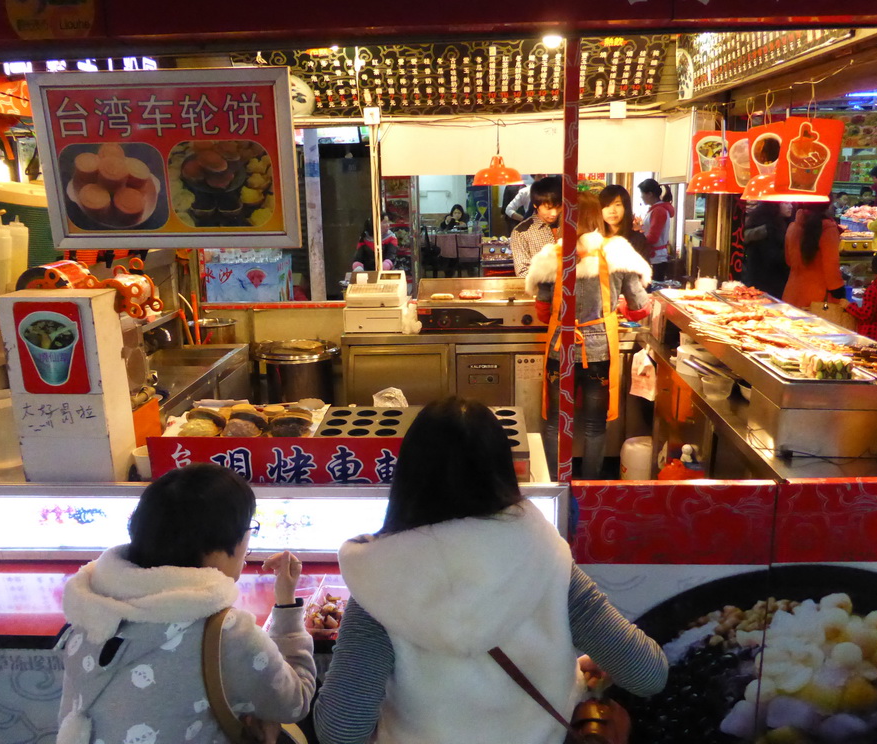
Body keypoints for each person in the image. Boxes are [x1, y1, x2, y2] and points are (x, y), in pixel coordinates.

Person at [313, 398, 668, 744]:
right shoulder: (546, 557)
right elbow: (648, 674)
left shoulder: (379, 584)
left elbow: (341, 729)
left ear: (408, 476)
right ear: (501, 469)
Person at [56, 464, 316, 744]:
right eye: (248, 529)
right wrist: (287, 605)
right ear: (215, 547)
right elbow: (294, 702)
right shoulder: (226, 632)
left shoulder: (91, 605)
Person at [527, 191, 651, 480]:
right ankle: (591, 483)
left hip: (561, 350)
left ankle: (555, 482)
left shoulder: (551, 257)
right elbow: (640, 307)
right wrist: (618, 306)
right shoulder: (617, 253)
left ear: (564, 217)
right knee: (595, 425)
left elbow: (544, 312)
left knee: (555, 422)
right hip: (599, 354)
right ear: (597, 217)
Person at [782, 202, 846, 309]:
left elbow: (789, 261)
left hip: (792, 296)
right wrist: (840, 293)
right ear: (828, 205)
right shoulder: (828, 229)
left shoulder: (792, 227)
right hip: (818, 302)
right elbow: (831, 269)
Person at [511, 176, 563, 277]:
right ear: (535, 204)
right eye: (548, 208)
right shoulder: (521, 232)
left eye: (558, 207)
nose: (554, 213)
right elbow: (522, 272)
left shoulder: (570, 224)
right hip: (541, 291)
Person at [741, 201, 792, 299]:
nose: (790, 206)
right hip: (766, 283)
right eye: (786, 203)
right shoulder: (769, 228)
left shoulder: (783, 223)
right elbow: (772, 257)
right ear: (775, 205)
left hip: (766, 282)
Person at [600, 183, 650, 261]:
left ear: (626, 207)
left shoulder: (637, 239)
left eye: (617, 205)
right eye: (607, 206)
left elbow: (643, 270)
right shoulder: (595, 238)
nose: (612, 211)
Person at [637, 178, 675, 281]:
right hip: (655, 257)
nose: (641, 196)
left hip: (656, 259)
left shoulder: (659, 211)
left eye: (642, 193)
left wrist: (637, 239)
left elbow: (653, 238)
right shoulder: (657, 209)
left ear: (649, 194)